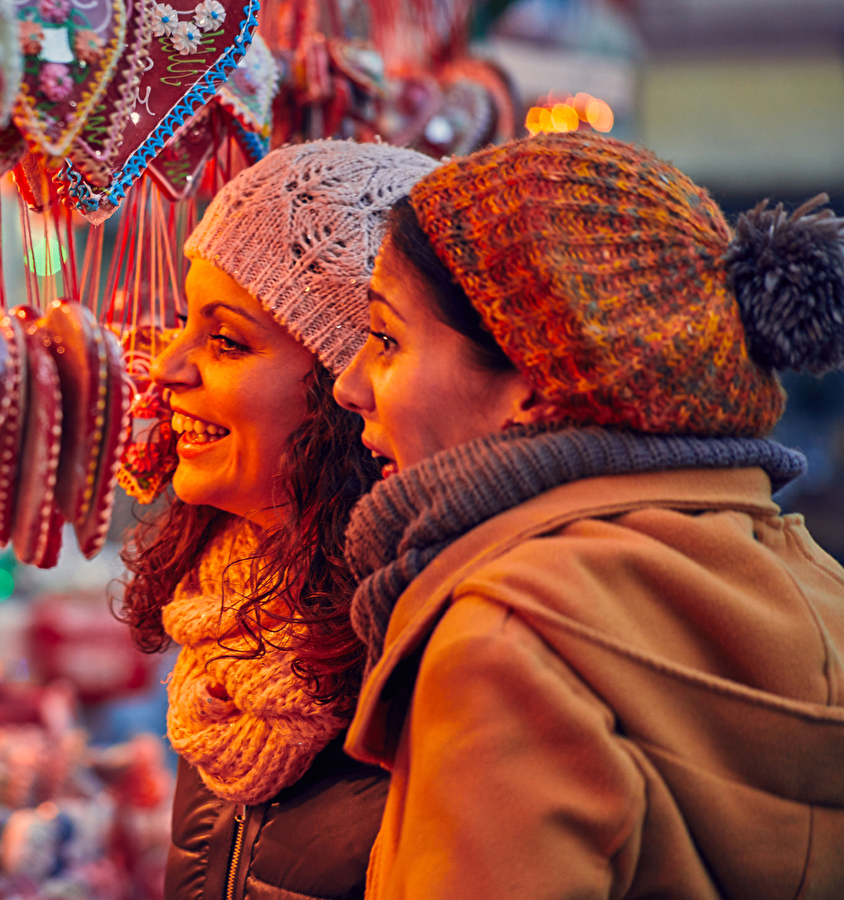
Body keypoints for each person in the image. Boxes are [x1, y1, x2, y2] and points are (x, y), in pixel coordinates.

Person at [331, 131, 844, 898]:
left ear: (535, 382)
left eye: (384, 338)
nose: (347, 385)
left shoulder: (505, 648)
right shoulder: (819, 586)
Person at [118, 140, 437, 900]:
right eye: (183, 323)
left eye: (226, 341)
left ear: (349, 390)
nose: (168, 367)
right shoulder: (224, 626)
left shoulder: (425, 657)